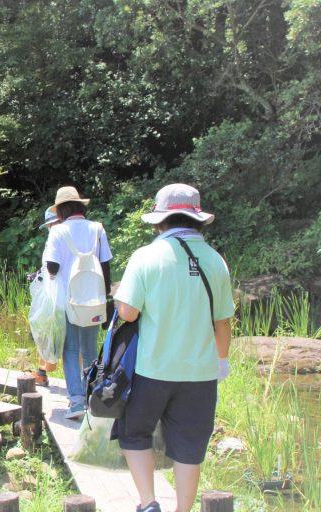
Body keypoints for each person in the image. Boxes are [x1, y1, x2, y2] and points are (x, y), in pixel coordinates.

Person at [113, 184, 234, 512]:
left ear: (160, 221)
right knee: (189, 446)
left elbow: (128, 312)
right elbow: (223, 323)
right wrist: (222, 363)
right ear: (197, 220)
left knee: (135, 433)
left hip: (152, 369)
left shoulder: (147, 256)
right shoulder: (215, 260)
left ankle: (149, 503)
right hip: (200, 373)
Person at [42, 186, 112, 419]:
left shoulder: (58, 232)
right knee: (90, 349)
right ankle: (91, 397)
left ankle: (75, 402)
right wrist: (107, 299)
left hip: (67, 300)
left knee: (70, 350)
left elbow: (52, 267)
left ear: (61, 210)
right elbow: (105, 265)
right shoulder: (97, 229)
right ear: (81, 206)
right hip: (93, 299)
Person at [32, 208, 61, 387]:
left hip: (53, 293)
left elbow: (51, 269)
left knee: (45, 330)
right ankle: (42, 371)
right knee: (47, 331)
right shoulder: (66, 236)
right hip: (60, 292)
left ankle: (42, 372)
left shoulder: (55, 238)